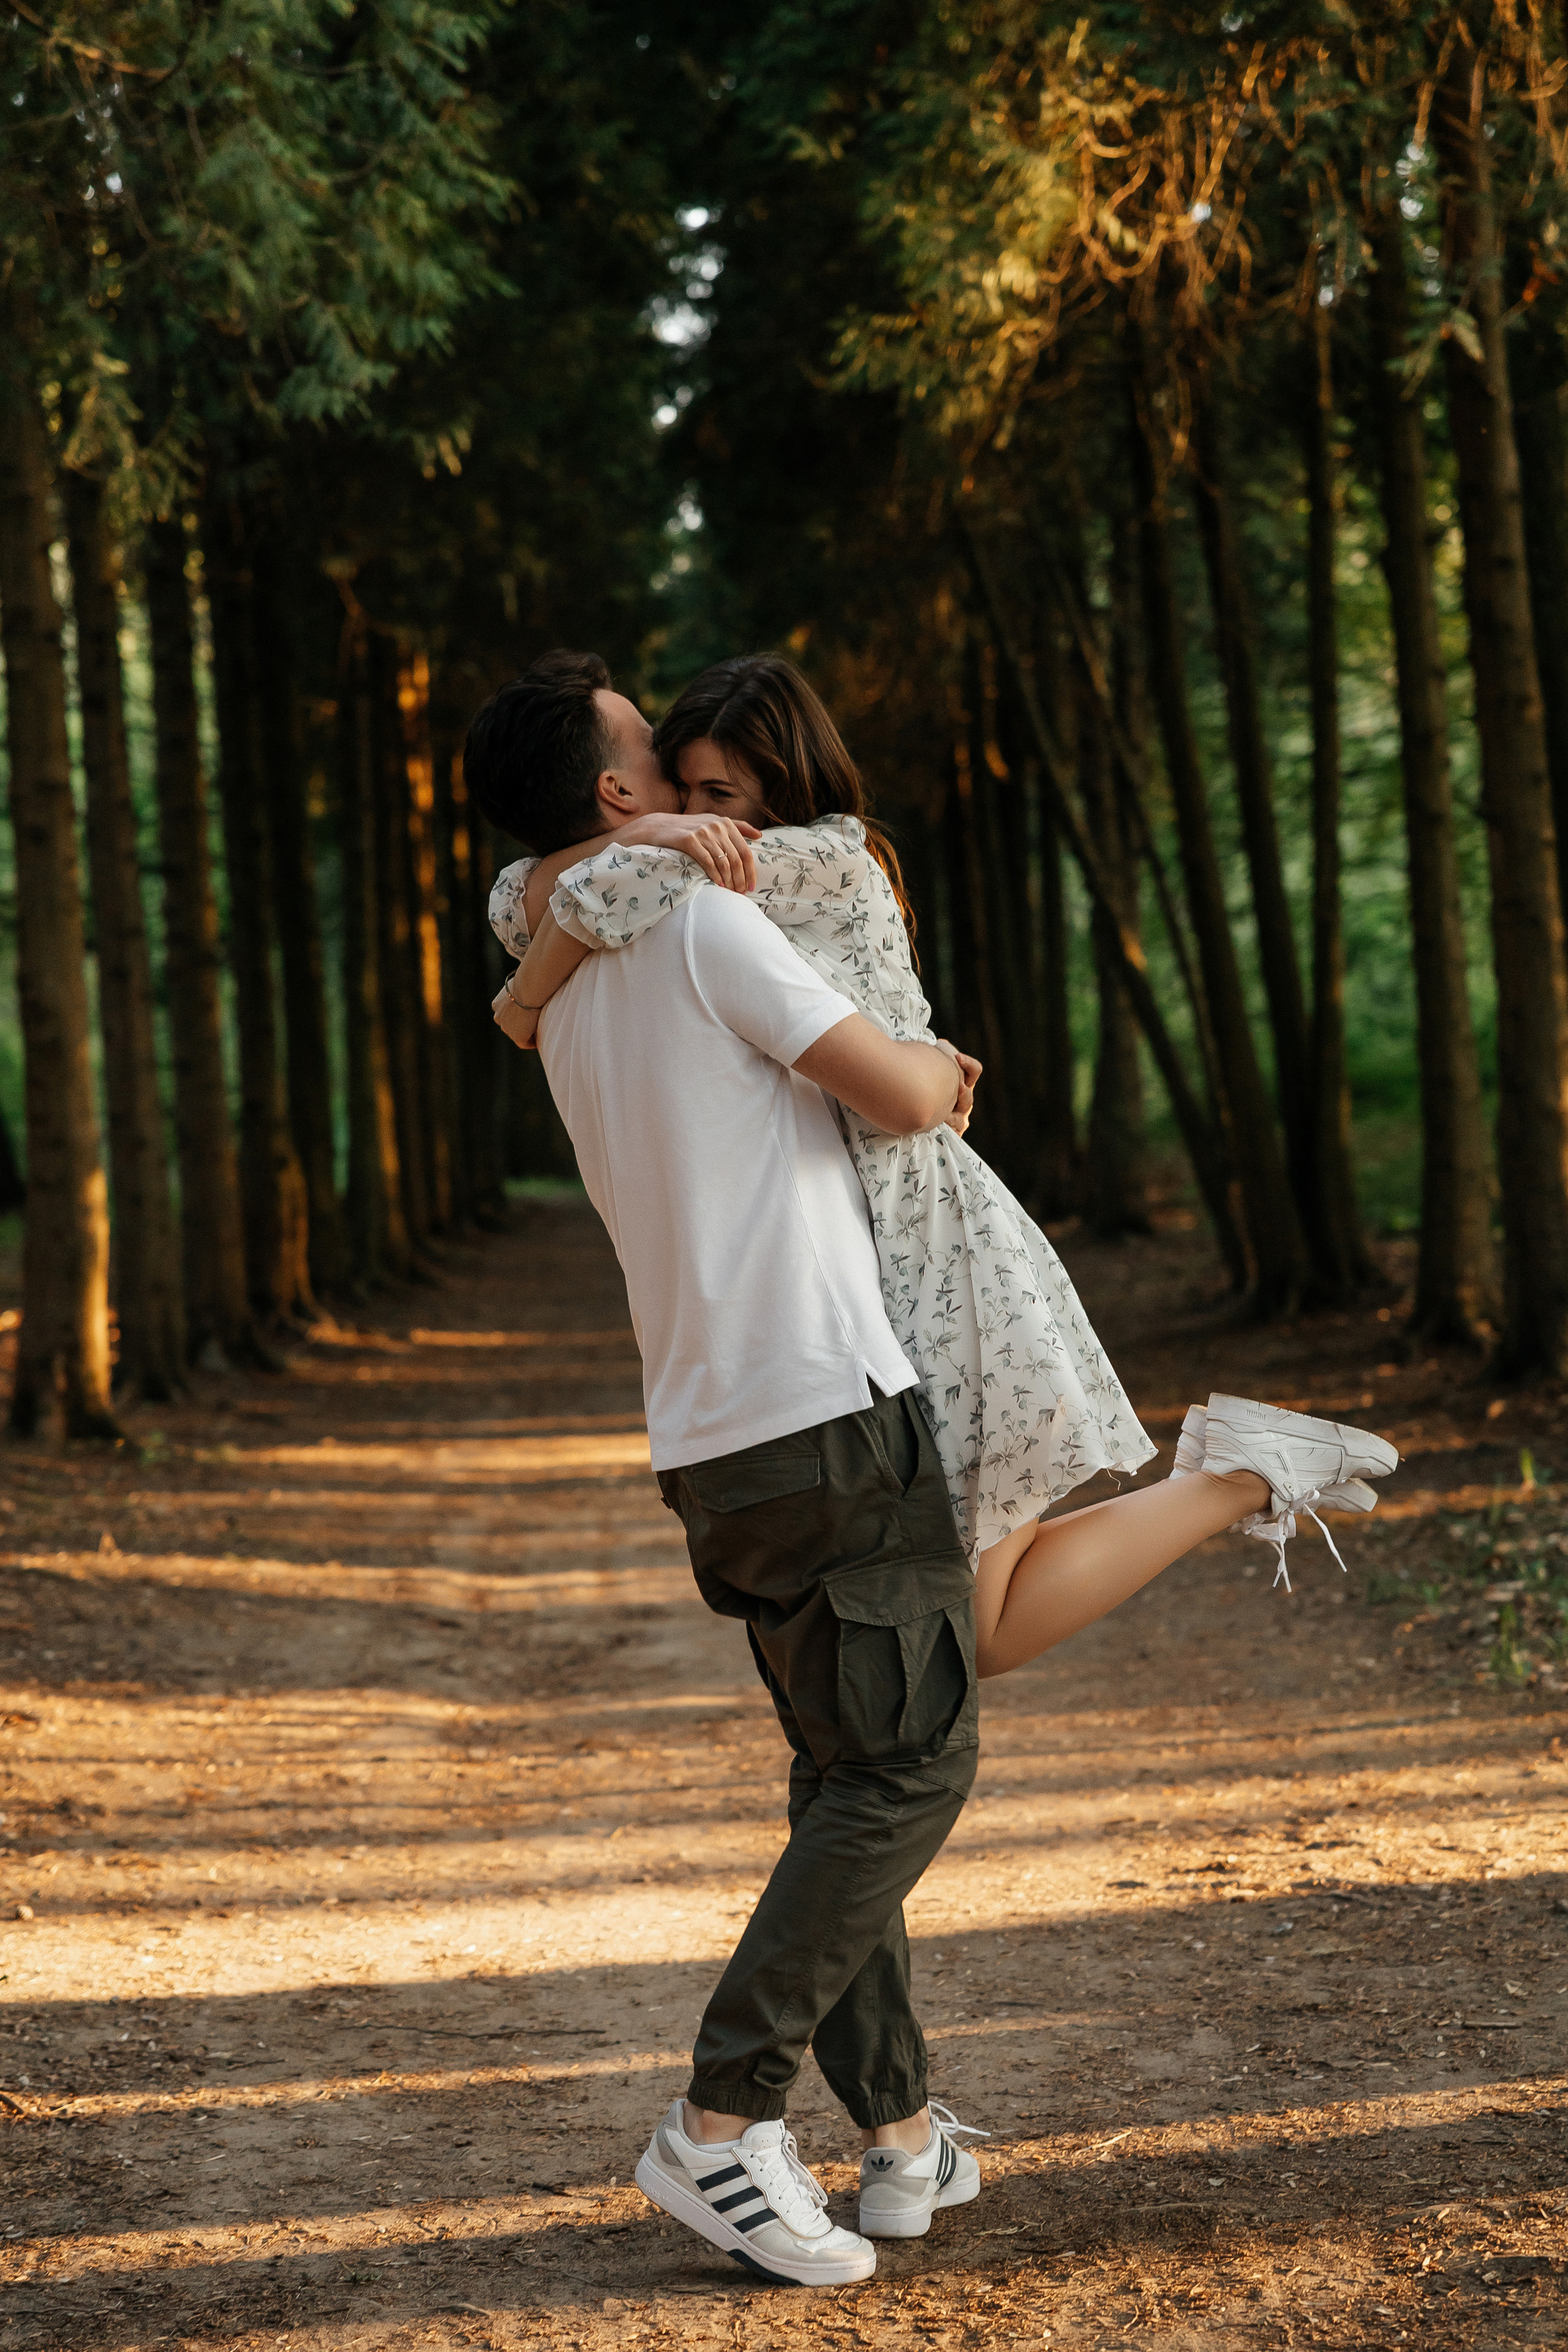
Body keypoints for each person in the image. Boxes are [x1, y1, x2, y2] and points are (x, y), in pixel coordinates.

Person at [464, 650, 1398, 2288]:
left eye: (716, 792)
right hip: (824, 1391)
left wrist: (540, 965)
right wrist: (931, 1061)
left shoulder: (621, 920)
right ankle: (717, 2123)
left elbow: (533, 919)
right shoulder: (682, 909)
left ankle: (900, 2137)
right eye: (665, 783)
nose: (697, 812)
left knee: (855, 1762)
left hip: (748, 1406)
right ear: (620, 797)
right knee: (908, 1766)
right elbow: (904, 1088)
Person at [486, 652, 1400, 1665]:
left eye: (722, 794)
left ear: (787, 792)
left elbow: (560, 899)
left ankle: (1242, 1474)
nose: (705, 815)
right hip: (877, 1250)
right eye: (685, 789)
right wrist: (639, 851)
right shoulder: (688, 862)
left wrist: (528, 997)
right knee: (972, 1621)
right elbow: (531, 896)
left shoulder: (818, 858)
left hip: (934, 1240)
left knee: (972, 1627)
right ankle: (1241, 1472)